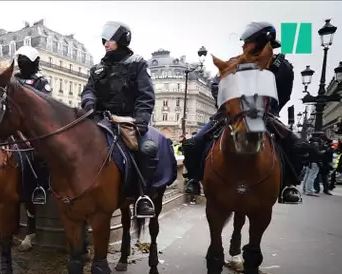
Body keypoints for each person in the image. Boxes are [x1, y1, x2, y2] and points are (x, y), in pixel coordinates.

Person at [182, 21, 309, 204]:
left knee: (296, 145)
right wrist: (224, 99)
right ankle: (194, 178)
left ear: (261, 42)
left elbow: (284, 95)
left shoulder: (283, 67)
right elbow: (217, 82)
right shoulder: (235, 61)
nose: (243, 45)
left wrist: (270, 108)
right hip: (232, 113)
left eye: (248, 42)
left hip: (265, 113)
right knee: (194, 143)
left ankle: (289, 184)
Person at [80, 21, 157, 217]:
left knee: (148, 149)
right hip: (100, 120)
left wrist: (141, 120)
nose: (106, 43)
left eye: (110, 39)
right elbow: (89, 89)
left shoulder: (137, 63)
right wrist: (88, 102)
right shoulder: (97, 68)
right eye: (105, 40)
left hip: (128, 121)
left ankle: (143, 196)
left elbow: (145, 95)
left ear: (122, 40)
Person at [13, 45, 53, 204]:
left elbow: (45, 107)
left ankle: (40, 187)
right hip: (12, 124)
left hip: (34, 127)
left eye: (24, 60)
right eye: (19, 60)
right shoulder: (13, 79)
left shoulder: (41, 81)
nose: (21, 63)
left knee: (41, 154)